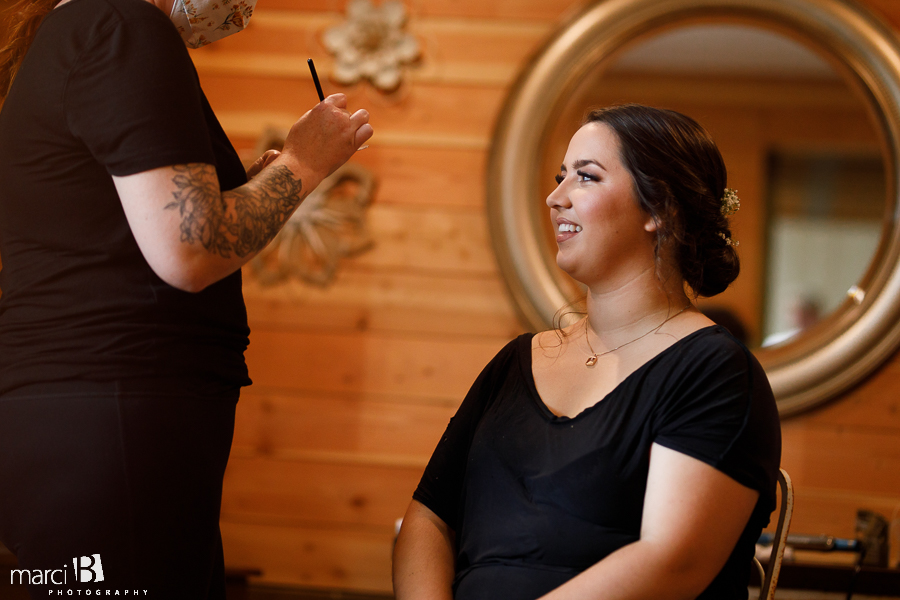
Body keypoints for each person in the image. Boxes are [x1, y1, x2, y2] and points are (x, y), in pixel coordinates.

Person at [0, 0, 372, 596]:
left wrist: (251, 186)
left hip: (84, 425)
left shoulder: (85, 29)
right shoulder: (122, 27)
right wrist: (306, 162)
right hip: (112, 422)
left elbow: (137, 229)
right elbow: (192, 248)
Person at [393, 104, 781, 600]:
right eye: (560, 177)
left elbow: (673, 562)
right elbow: (428, 519)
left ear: (659, 207)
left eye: (586, 177)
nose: (555, 198)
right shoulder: (515, 363)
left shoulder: (714, 371)